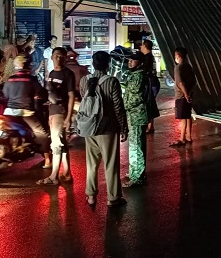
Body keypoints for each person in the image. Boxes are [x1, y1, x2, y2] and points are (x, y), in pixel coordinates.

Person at [80, 51, 128, 207]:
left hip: (90, 128)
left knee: (91, 163)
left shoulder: (84, 80)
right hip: (108, 128)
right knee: (110, 164)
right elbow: (118, 107)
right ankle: (113, 197)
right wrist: (123, 126)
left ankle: (91, 195)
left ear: (93, 64)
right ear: (108, 64)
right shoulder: (112, 81)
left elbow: (85, 102)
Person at [2, 55, 52, 170]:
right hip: (26, 112)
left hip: (9, 112)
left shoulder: (10, 79)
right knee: (41, 133)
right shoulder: (31, 80)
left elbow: (5, 95)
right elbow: (41, 94)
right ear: (28, 66)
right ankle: (48, 159)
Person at [37, 47, 76, 185]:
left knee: (56, 144)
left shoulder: (68, 74)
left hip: (60, 111)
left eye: (61, 56)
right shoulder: (52, 73)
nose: (59, 58)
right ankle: (67, 173)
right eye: (56, 56)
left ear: (65, 58)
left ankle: (54, 176)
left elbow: (71, 95)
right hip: (52, 111)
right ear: (52, 57)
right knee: (62, 143)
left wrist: (68, 117)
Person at [121, 52, 148, 188]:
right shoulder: (134, 75)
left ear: (140, 63)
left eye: (133, 60)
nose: (130, 62)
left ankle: (137, 177)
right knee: (135, 145)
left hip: (136, 115)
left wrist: (123, 106)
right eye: (129, 60)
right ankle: (135, 172)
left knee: (136, 146)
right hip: (133, 115)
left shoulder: (139, 76)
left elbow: (136, 97)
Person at [171, 47, 196, 147]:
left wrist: (185, 94)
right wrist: (189, 94)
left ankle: (182, 138)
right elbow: (194, 81)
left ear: (178, 56)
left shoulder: (178, 68)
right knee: (188, 116)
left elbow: (181, 83)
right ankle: (189, 136)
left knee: (183, 118)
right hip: (188, 94)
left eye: (175, 55)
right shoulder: (189, 67)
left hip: (181, 95)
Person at [140, 40, 160, 133]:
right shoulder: (150, 57)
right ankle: (150, 125)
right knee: (150, 104)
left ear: (144, 46)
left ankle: (150, 126)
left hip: (151, 84)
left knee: (149, 104)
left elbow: (145, 72)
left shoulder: (147, 58)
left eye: (141, 45)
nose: (140, 47)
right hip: (154, 83)